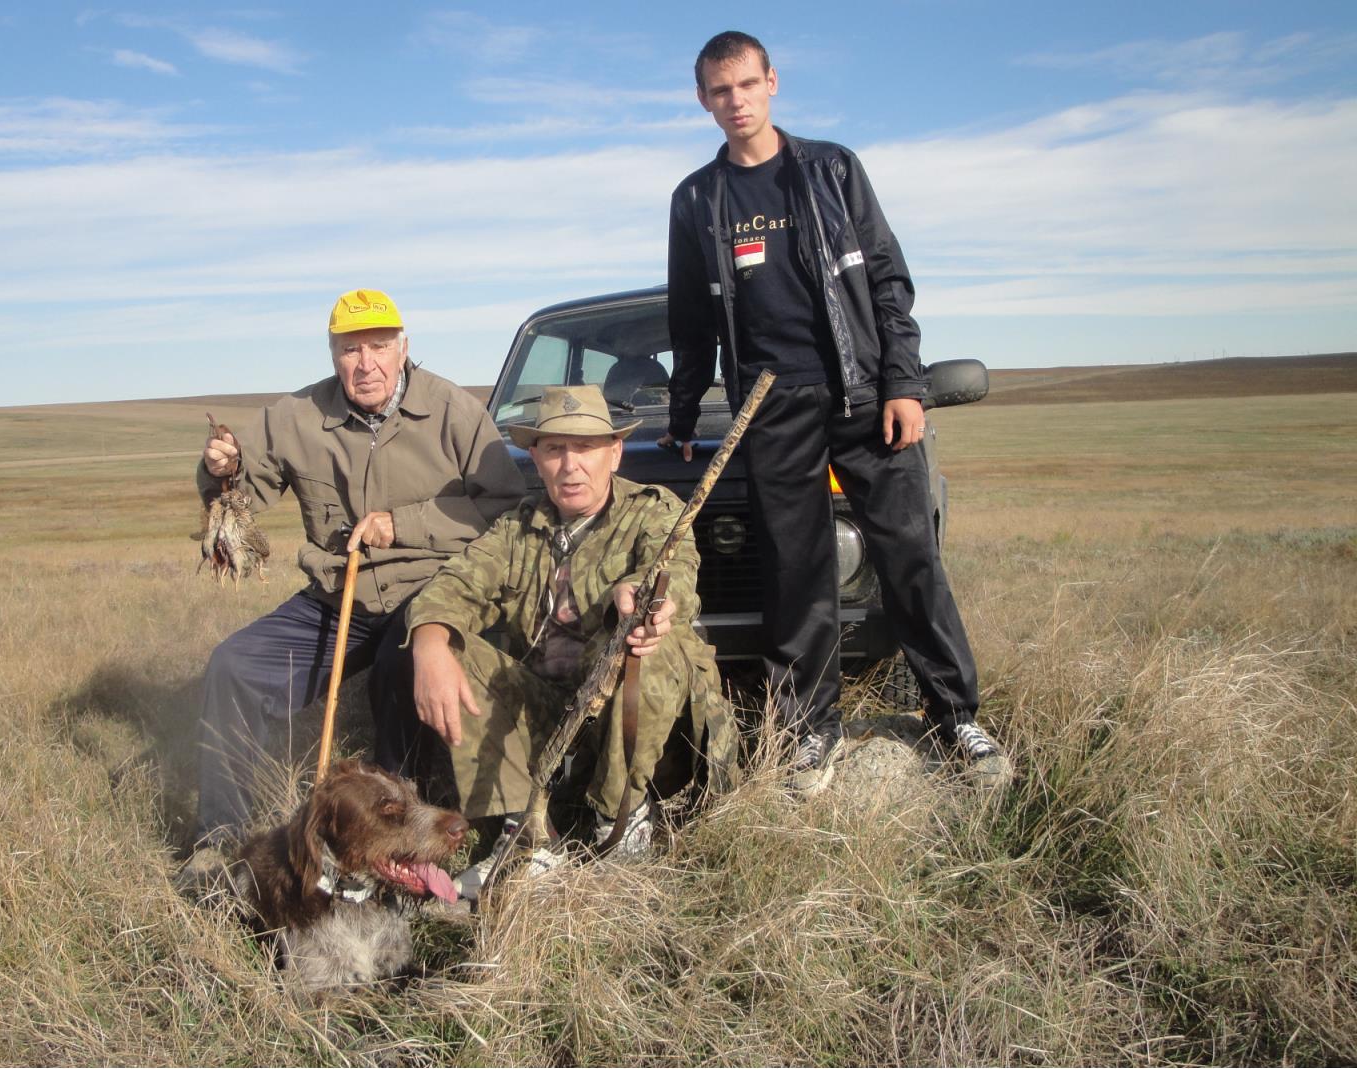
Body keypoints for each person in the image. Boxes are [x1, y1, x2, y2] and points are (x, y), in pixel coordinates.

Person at [660, 31, 1006, 787]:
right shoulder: (697, 199)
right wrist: (683, 416)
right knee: (797, 575)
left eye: (747, 84)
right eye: (720, 90)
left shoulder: (832, 169)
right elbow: (689, 321)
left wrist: (904, 384)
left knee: (910, 559)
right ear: (703, 100)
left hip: (864, 398)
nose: (736, 101)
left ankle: (956, 715)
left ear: (772, 82)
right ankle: (810, 731)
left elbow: (887, 281)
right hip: (769, 407)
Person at [183, 288, 526, 876]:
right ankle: (222, 840)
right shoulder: (293, 416)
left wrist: (404, 524)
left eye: (379, 346)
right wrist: (220, 469)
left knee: (401, 667)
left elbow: (504, 506)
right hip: (336, 594)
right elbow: (241, 495)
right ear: (333, 353)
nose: (365, 363)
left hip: (428, 590)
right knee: (233, 666)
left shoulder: (454, 410)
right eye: (350, 349)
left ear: (403, 348)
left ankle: (397, 841)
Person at [407, 385, 735, 895]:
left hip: (638, 724)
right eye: (555, 449)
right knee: (448, 645)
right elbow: (455, 586)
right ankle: (530, 833)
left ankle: (620, 818)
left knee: (644, 647)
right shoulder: (516, 529)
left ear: (614, 453)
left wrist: (642, 600)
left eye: (585, 448)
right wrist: (429, 645)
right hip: (551, 713)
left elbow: (675, 576)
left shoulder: (653, 511)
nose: (570, 465)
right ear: (536, 458)